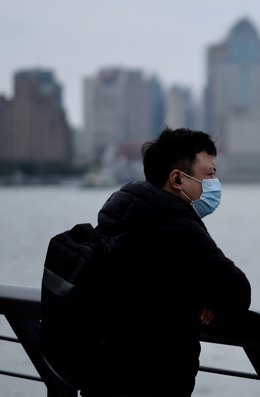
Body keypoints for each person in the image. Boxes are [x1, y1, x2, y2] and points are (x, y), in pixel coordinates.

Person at [82, 128, 251, 397]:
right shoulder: (178, 226)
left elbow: (151, 281)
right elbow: (239, 291)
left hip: (103, 375)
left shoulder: (122, 211)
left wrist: (198, 293)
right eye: (209, 175)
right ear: (177, 179)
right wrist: (210, 296)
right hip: (153, 381)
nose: (214, 183)